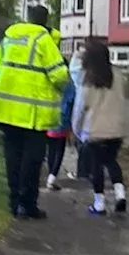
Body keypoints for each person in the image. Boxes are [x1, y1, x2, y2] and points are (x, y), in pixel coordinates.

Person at [0, 5, 70, 219]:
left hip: (6, 110)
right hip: (33, 114)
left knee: (12, 158)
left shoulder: (9, 39)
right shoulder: (43, 40)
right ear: (45, 21)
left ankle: (14, 203)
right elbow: (59, 76)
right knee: (32, 162)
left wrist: (9, 87)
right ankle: (27, 204)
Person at [71, 40, 129, 215]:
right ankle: (120, 195)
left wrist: (76, 129)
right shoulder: (118, 75)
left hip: (94, 130)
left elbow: (81, 106)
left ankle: (99, 204)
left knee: (96, 167)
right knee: (111, 161)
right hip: (116, 129)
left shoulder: (88, 78)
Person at [45, 44, 81, 191]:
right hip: (62, 121)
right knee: (59, 150)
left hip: (47, 119)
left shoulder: (48, 79)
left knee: (50, 149)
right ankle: (52, 177)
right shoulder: (69, 84)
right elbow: (73, 102)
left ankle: (49, 174)